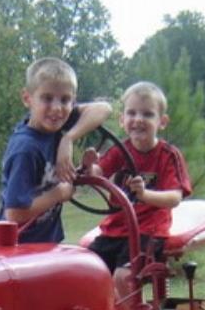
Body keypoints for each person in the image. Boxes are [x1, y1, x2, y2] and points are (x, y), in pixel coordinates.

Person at [0, 57, 111, 244]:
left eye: (65, 100)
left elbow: (104, 109)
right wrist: (59, 193)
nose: (57, 108)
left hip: (48, 244)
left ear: (73, 101)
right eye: (47, 98)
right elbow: (14, 213)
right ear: (27, 99)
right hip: (20, 248)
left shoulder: (58, 127)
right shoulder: (26, 149)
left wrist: (69, 139)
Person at [82, 81, 192, 272]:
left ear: (162, 122)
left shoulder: (168, 155)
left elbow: (174, 198)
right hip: (114, 230)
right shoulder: (119, 151)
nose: (138, 119)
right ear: (122, 120)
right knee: (87, 272)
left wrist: (144, 195)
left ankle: (123, 302)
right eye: (131, 113)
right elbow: (97, 173)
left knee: (124, 277)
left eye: (147, 114)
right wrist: (88, 166)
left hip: (149, 232)